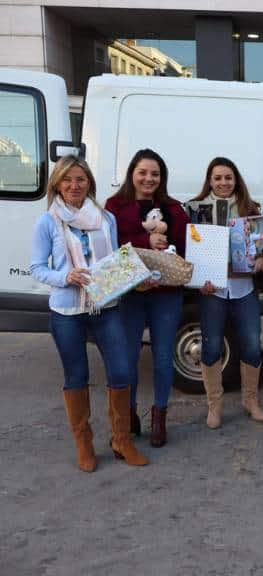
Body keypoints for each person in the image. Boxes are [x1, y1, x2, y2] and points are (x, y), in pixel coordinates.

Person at [30, 156, 147, 471]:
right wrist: (64, 277)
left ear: (89, 183)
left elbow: (112, 260)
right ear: (57, 184)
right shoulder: (49, 221)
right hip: (67, 310)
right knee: (77, 376)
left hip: (105, 307)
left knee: (122, 371)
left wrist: (135, 272)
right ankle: (83, 442)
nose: (74, 186)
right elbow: (36, 267)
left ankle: (121, 440)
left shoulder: (105, 218)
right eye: (67, 180)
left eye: (80, 179)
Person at [105, 149, 189, 447]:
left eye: (155, 174)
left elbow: (184, 245)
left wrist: (169, 247)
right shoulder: (114, 207)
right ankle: (128, 417)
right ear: (132, 173)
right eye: (143, 172)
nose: (149, 178)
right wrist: (145, 241)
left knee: (164, 357)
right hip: (130, 293)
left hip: (166, 294)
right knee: (127, 358)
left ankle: (159, 417)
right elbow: (109, 247)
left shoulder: (174, 208)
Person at [189, 157, 263, 429]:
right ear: (210, 181)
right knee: (212, 346)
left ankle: (250, 400)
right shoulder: (195, 210)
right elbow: (188, 248)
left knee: (252, 345)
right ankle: (214, 405)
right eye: (218, 178)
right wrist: (195, 279)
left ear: (236, 179)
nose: (223, 182)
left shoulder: (251, 210)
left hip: (244, 290)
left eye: (228, 177)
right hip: (211, 291)